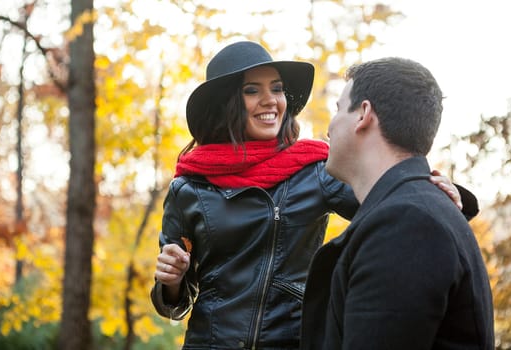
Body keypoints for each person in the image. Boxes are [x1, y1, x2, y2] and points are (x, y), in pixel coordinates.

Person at [150, 41, 478, 349]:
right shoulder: (188, 187)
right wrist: (172, 281)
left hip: (292, 342)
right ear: (225, 104)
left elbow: (391, 202)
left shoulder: (315, 171)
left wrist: (437, 192)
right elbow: (175, 304)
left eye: (277, 89)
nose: (271, 100)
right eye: (252, 90)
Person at [300, 57, 494, 350]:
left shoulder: (405, 225)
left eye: (338, 109)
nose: (329, 128)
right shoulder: (416, 211)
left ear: (363, 114)